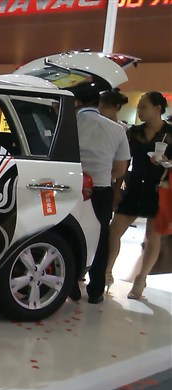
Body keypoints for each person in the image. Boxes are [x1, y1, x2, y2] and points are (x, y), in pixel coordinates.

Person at [106, 92, 172, 300]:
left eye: (143, 106)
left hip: (158, 189)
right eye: (139, 106)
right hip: (134, 186)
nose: (140, 110)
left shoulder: (170, 134)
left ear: (157, 109)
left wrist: (166, 162)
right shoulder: (134, 132)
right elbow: (123, 161)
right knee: (114, 231)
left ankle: (141, 280)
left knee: (152, 237)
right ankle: (106, 273)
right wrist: (117, 188)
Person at [69, 88, 130, 304]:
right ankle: (95, 291)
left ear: (77, 102)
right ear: (98, 104)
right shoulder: (118, 130)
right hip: (100, 190)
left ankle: (70, 285)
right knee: (101, 238)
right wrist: (102, 175)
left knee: (69, 234)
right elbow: (120, 169)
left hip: (71, 187)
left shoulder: (69, 124)